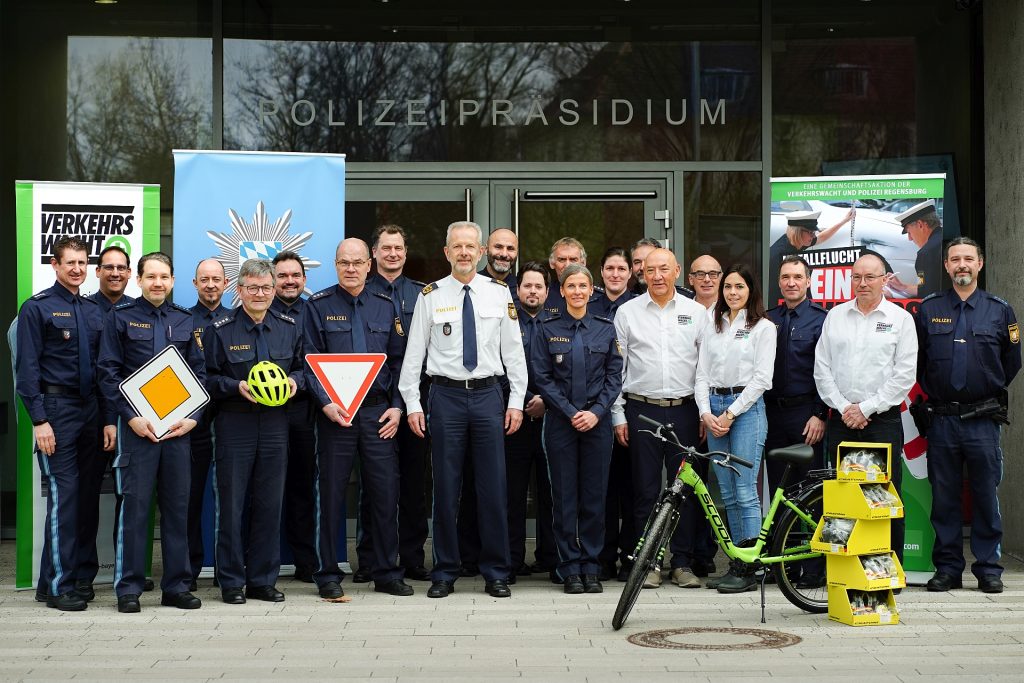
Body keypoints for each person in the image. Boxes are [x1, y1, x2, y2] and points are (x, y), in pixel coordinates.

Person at [399, 221, 527, 599]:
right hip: (446, 398)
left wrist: (516, 402)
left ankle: (496, 571)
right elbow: (414, 357)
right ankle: (445, 570)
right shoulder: (431, 296)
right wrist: (411, 403)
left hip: (489, 397)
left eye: (471, 246)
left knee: (493, 488)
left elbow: (514, 356)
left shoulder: (499, 294)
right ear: (447, 252)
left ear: (481, 252)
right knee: (445, 487)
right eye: (458, 246)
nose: (465, 253)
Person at [97, 251, 204, 613]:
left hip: (178, 431)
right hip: (138, 431)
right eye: (151, 276)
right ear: (138, 280)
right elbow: (108, 372)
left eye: (164, 277)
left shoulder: (187, 321)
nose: (158, 282)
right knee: (136, 509)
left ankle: (176, 587)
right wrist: (129, 417)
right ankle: (128, 588)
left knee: (177, 509)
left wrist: (193, 418)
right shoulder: (120, 318)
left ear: (173, 281)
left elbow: (199, 376)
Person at [305, 238, 410, 598]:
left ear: (370, 265)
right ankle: (328, 575)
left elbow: (400, 362)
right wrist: (324, 404)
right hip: (336, 415)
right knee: (331, 495)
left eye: (357, 262)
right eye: (344, 263)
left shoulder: (385, 306)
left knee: (384, 494)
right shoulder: (317, 307)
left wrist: (397, 406)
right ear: (336, 265)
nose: (351, 268)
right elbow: (308, 361)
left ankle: (386, 572)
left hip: (378, 414)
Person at [916, 237, 1020, 594]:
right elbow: (918, 362)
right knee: (944, 497)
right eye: (955, 259)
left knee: (985, 496)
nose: (962, 265)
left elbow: (1012, 361)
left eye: (968, 259)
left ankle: (989, 567)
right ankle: (947, 568)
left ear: (980, 264)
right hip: (942, 419)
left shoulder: (1000, 310)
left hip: (982, 421)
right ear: (946, 266)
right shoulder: (928, 310)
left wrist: (984, 387)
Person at [203, 258, 304, 604]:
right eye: (252, 288)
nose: (259, 294)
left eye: (265, 287)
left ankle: (263, 580)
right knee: (231, 506)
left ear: (275, 289)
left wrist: (294, 381)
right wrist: (234, 386)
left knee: (269, 504)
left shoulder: (289, 326)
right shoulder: (220, 329)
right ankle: (231, 581)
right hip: (235, 423)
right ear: (239, 290)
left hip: (277, 425)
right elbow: (207, 379)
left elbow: (308, 369)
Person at [612, 248, 711, 590]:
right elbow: (617, 370)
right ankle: (650, 562)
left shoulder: (696, 313)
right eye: (650, 269)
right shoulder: (627, 313)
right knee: (645, 490)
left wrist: (702, 410)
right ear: (642, 273)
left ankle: (682, 563)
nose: (656, 276)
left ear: (677, 271)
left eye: (663, 269)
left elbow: (704, 370)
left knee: (684, 489)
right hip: (641, 410)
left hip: (685, 411)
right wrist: (618, 415)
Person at [16, 236, 104, 611]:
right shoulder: (37, 308)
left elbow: (104, 369)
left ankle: (66, 579)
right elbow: (27, 370)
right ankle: (57, 588)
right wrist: (40, 421)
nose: (76, 269)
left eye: (82, 263)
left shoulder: (93, 310)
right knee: (64, 500)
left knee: (84, 502)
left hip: (91, 410)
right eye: (69, 262)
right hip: (56, 411)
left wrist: (109, 419)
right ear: (55, 265)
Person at [814, 253, 917, 563]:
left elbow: (904, 374)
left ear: (884, 279)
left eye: (870, 277)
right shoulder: (835, 316)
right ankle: (847, 569)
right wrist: (846, 407)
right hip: (842, 421)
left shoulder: (900, 319)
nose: (862, 283)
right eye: (856, 277)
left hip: (882, 422)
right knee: (843, 499)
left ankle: (887, 572)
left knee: (883, 498)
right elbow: (822, 369)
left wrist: (867, 409)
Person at [533, 264, 623, 595]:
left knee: (595, 497)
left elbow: (615, 376)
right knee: (565, 497)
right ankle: (569, 566)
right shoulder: (547, 328)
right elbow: (542, 377)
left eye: (583, 286)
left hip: (596, 425)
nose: (577, 291)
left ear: (591, 290)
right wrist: (572, 412)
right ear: (562, 290)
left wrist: (596, 412)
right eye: (571, 286)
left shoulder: (605, 328)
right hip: (561, 423)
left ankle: (591, 565)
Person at [695, 264, 777, 593]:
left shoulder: (763, 328)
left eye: (739, 286)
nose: (732, 292)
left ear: (751, 290)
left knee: (745, 493)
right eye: (728, 286)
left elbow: (762, 379)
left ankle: (750, 566)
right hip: (714, 410)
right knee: (727, 494)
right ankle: (736, 563)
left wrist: (730, 413)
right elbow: (701, 374)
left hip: (745, 412)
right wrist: (705, 412)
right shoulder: (712, 325)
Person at [358, 225, 431, 582]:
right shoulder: (361, 293)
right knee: (374, 488)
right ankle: (370, 559)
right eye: (385, 248)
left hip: (414, 403)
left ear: (405, 252)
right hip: (371, 404)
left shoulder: (423, 295)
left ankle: (413, 558)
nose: (392, 254)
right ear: (374, 253)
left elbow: (422, 355)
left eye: (398, 248)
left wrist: (404, 402)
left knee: (414, 484)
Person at [75, 244, 133, 600]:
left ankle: (128, 572)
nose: (115, 272)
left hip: (134, 419)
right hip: (92, 418)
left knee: (131, 497)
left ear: (130, 274)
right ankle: (82, 573)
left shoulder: (138, 311)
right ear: (97, 272)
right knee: (86, 498)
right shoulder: (84, 309)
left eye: (121, 267)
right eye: (108, 267)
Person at [503, 262, 557, 579]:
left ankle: (550, 558)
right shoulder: (505, 324)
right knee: (512, 494)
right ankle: (511, 560)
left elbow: (567, 373)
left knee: (550, 493)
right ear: (518, 289)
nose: (533, 291)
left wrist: (547, 402)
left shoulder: (557, 324)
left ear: (547, 292)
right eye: (527, 286)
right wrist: (519, 404)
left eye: (539, 286)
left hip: (552, 420)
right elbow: (498, 368)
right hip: (515, 420)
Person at [270, 250, 319, 584]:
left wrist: (297, 381)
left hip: (304, 411)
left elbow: (316, 361)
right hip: (262, 414)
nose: (289, 281)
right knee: (263, 490)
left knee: (302, 489)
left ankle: (305, 563)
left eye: (295, 275)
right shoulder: (255, 311)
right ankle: (260, 565)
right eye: (283, 275)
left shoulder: (315, 311)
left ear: (304, 278)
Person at [591, 247, 637, 582]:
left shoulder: (638, 307)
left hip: (630, 407)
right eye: (610, 268)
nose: (616, 274)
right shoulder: (588, 306)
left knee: (633, 488)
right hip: (596, 411)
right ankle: (603, 557)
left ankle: (631, 556)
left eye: (622, 268)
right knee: (602, 489)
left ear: (630, 274)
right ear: (601, 272)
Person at [764, 255, 827, 495]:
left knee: (812, 490)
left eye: (798, 277)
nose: (791, 283)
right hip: (772, 415)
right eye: (786, 277)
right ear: (779, 283)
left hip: (806, 415)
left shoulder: (822, 319)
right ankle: (782, 535)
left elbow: (828, 370)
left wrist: (820, 414)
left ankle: (813, 535)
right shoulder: (768, 318)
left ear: (808, 282)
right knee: (779, 489)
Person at [186, 258, 229, 589]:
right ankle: (190, 566)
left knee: (230, 496)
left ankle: (227, 568)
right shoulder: (184, 321)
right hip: (194, 424)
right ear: (195, 283)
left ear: (226, 283)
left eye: (216, 279)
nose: (211, 285)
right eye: (205, 279)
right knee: (191, 497)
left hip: (230, 419)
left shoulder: (235, 320)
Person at [768, 208, 854, 305]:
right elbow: (772, 291)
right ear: (798, 232)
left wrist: (844, 221)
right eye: (811, 233)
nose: (813, 236)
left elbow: (821, 237)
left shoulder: (797, 241)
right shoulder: (777, 255)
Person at [890, 200, 943, 300]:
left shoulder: (926, 254)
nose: (910, 238)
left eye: (909, 232)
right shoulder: (947, 239)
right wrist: (903, 287)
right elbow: (925, 288)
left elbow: (926, 294)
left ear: (920, 225)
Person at [630, 238, 695, 299]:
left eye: (649, 260)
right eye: (637, 262)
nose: (642, 267)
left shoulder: (687, 297)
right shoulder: (627, 301)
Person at [545, 237, 586, 312]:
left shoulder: (597, 297)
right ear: (552, 263)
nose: (567, 265)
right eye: (562, 260)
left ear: (583, 263)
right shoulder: (544, 296)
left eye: (573, 260)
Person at [481, 227, 520, 302]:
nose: (504, 254)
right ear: (486, 250)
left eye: (510, 248)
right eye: (498, 247)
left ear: (517, 253)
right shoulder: (471, 286)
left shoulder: (523, 289)